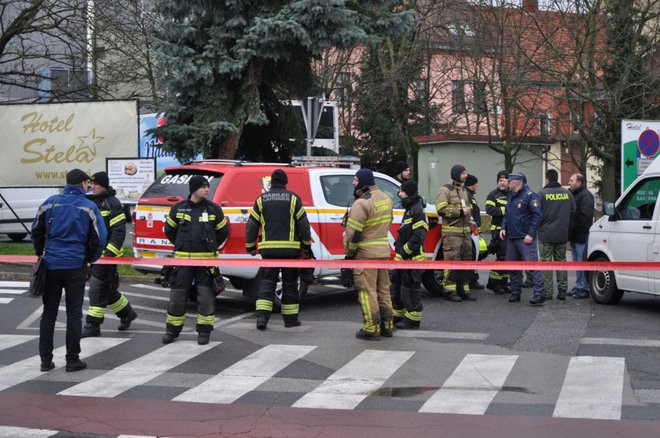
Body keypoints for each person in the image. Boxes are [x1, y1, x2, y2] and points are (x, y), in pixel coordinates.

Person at [31, 169, 107, 372]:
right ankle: (73, 360)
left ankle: (45, 361)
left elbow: (36, 231)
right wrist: (89, 259)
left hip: (52, 265)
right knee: (74, 314)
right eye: (87, 183)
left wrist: (42, 253)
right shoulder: (89, 207)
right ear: (82, 184)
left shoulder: (50, 202)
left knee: (49, 314)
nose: (89, 186)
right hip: (75, 266)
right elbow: (99, 238)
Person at [162, 175, 229, 345]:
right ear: (193, 189)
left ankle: (204, 332)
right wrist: (181, 244)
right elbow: (169, 231)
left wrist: (211, 246)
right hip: (182, 261)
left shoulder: (214, 209)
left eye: (207, 186)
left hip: (206, 263)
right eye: (203, 186)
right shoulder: (178, 209)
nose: (207, 189)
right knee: (177, 296)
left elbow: (223, 232)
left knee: (205, 296)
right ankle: (172, 330)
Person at [246, 169, 312, 330]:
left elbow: (252, 225)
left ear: (271, 183)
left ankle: (261, 318)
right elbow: (304, 225)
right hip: (290, 251)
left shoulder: (261, 199)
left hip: (268, 251)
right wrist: (306, 246)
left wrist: (250, 247)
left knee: (267, 283)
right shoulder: (293, 199)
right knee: (290, 283)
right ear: (285, 182)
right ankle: (290, 320)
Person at [82, 172, 137, 337]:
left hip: (107, 256)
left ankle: (93, 325)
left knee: (97, 289)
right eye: (91, 184)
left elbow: (119, 233)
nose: (92, 186)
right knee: (107, 288)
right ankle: (127, 313)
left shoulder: (113, 203)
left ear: (104, 185)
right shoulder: (92, 202)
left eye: (96, 184)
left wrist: (107, 255)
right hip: (93, 255)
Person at [345, 168, 394, 340]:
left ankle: (371, 328)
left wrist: (349, 254)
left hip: (365, 254)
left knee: (367, 292)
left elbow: (353, 233)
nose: (353, 183)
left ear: (363, 182)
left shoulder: (361, 203)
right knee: (383, 290)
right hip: (382, 252)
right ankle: (387, 326)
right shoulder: (386, 198)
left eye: (356, 180)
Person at [500, 172, 545, 305]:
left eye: (509, 181)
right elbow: (507, 214)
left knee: (532, 266)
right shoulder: (511, 196)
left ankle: (539, 294)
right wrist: (503, 227)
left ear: (516, 181)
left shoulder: (530, 196)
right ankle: (515, 292)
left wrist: (530, 234)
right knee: (513, 267)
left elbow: (537, 216)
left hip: (525, 238)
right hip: (512, 237)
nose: (507, 183)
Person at [435, 164, 476, 302]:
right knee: (453, 262)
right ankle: (450, 290)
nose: (466, 176)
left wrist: (471, 224)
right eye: (464, 173)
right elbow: (440, 209)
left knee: (466, 263)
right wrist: (459, 212)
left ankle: (464, 289)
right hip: (452, 234)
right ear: (457, 174)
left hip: (465, 234)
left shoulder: (464, 191)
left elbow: (468, 210)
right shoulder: (444, 190)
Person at [390, 180, 428, 330]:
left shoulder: (417, 210)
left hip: (412, 260)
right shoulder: (410, 208)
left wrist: (403, 252)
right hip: (403, 259)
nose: (399, 194)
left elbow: (418, 236)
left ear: (408, 192)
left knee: (410, 290)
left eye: (401, 191)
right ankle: (398, 314)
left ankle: (413, 319)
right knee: (397, 287)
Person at [538, 169, 575, 300]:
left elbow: (537, 214)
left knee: (546, 263)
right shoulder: (567, 193)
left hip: (545, 235)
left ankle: (548, 292)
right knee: (561, 262)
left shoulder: (542, 193)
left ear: (547, 178)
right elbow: (573, 210)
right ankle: (562, 291)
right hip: (562, 234)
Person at [568, 173, 594, 299]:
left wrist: (572, 228)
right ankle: (579, 286)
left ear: (579, 182)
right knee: (577, 263)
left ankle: (585, 287)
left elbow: (584, 217)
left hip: (581, 236)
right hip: (575, 235)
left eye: (572, 180)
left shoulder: (586, 196)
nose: (569, 182)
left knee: (582, 262)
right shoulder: (575, 194)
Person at [485, 170, 510, 294]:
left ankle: (503, 282)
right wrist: (506, 210)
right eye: (500, 180)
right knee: (502, 257)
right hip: (498, 230)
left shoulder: (512, 194)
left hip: (510, 231)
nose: (502, 183)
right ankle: (493, 283)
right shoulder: (493, 195)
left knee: (508, 258)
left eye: (505, 180)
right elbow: (490, 209)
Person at [464, 174, 484, 290]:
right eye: (476, 184)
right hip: (471, 230)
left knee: (475, 255)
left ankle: (473, 279)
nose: (477, 186)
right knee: (471, 255)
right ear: (473, 184)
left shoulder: (470, 195)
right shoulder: (468, 195)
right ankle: (471, 280)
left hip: (474, 229)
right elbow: (473, 213)